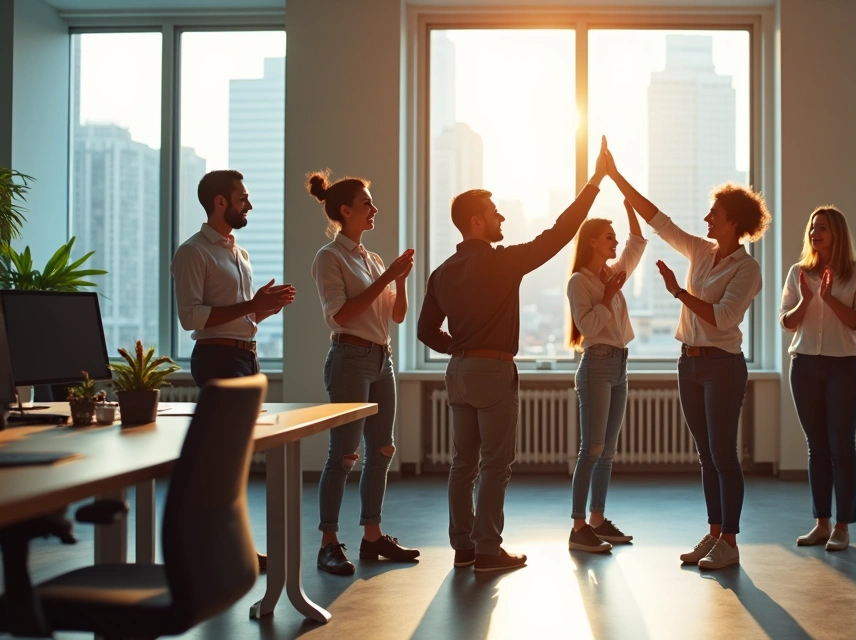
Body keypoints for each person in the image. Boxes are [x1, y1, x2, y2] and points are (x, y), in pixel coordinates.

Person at [418, 137, 612, 573]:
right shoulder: (501, 262)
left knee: (462, 464)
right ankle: (488, 550)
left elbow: (424, 331)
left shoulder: (441, 272)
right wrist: (595, 182)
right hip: (491, 371)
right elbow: (561, 234)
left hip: (459, 372)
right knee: (495, 464)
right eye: (494, 213)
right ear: (476, 222)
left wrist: (461, 348)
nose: (502, 217)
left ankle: (464, 549)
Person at [607, 152, 770, 571]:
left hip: (723, 366)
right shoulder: (700, 250)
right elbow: (659, 220)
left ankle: (730, 542)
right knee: (705, 454)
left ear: (734, 221)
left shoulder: (748, 269)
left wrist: (679, 293)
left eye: (714, 213)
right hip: (689, 363)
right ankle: (714, 533)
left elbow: (724, 317)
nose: (706, 220)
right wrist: (616, 176)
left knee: (723, 454)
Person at [171, 169, 295, 573]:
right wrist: (249, 307)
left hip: (245, 356)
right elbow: (191, 318)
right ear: (219, 202)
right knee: (225, 460)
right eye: (242, 197)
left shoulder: (238, 253)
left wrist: (263, 308)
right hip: (217, 359)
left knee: (236, 460)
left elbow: (240, 314)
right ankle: (216, 550)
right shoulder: (193, 252)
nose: (249, 204)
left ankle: (231, 549)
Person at [308, 171, 420, 575]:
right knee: (344, 455)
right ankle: (328, 543)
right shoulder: (329, 257)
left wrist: (400, 282)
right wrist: (388, 277)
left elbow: (398, 315)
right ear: (345, 211)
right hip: (349, 359)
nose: (375, 209)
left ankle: (372, 537)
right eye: (367, 203)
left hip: (380, 359)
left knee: (383, 450)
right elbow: (341, 315)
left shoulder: (371, 259)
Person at [779, 206, 856, 552]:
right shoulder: (798, 273)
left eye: (822, 228)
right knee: (816, 448)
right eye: (812, 227)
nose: (815, 233)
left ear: (837, 234)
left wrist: (830, 299)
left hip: (843, 367)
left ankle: (843, 527)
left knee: (842, 447)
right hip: (804, 366)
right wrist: (806, 300)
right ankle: (822, 523)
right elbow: (787, 322)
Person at [565, 201, 648, 553]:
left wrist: (630, 209)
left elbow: (637, 244)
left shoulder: (612, 272)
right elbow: (587, 326)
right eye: (608, 237)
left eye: (615, 237)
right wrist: (610, 294)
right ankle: (579, 526)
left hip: (619, 364)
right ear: (592, 242)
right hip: (597, 364)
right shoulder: (579, 282)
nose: (614, 243)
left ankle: (598, 521)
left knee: (608, 451)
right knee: (592, 448)